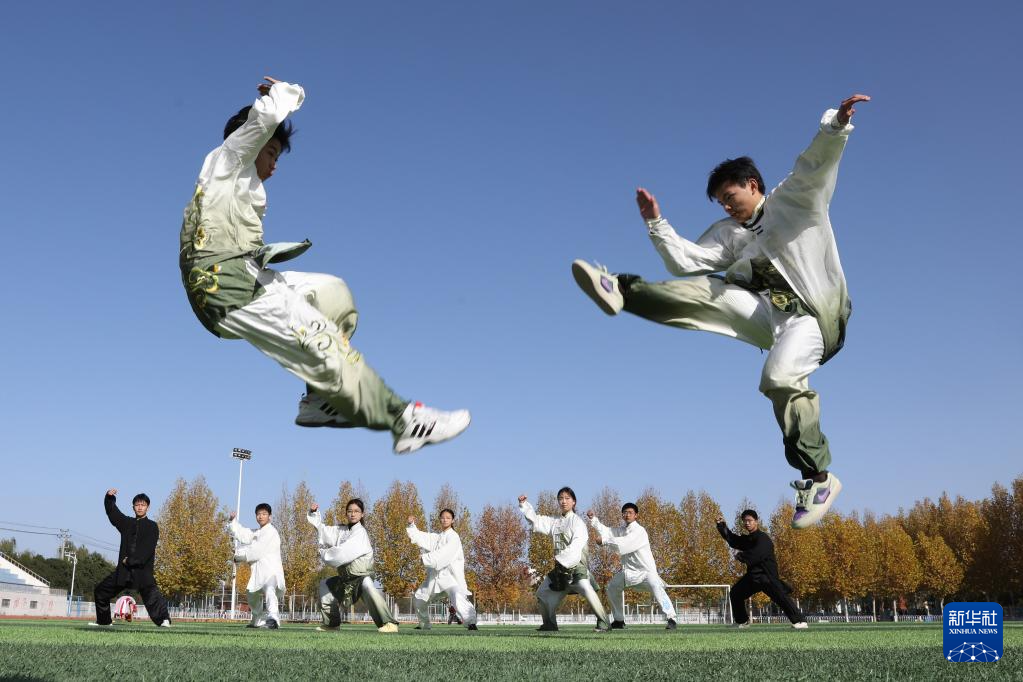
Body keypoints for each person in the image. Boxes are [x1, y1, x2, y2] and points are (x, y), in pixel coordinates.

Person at [572, 94, 871, 528]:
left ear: (753, 184)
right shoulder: (728, 234)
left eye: (731, 198)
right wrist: (657, 224)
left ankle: (818, 478)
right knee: (712, 291)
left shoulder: (795, 200)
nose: (728, 208)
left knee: (779, 377)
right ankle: (620, 291)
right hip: (774, 320)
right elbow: (686, 261)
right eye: (721, 204)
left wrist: (836, 126)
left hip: (818, 317)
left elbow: (815, 165)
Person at [178, 75, 470, 455]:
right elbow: (260, 123)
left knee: (333, 295)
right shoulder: (228, 159)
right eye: (272, 155)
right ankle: (404, 420)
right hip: (221, 283)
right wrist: (284, 93)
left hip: (246, 275)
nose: (275, 167)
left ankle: (317, 400)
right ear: (254, 143)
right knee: (321, 339)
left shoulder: (243, 183)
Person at [519, 488, 611, 632]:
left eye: (567, 498)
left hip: (576, 569)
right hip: (559, 570)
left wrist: (562, 562)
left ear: (574, 502)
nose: (563, 501)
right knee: (542, 593)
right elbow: (536, 521)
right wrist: (524, 505)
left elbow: (576, 547)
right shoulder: (555, 522)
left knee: (587, 589)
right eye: (560, 498)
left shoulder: (578, 523)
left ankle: (604, 623)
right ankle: (549, 624)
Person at [307, 499, 399, 633]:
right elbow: (323, 530)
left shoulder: (360, 533)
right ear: (346, 513)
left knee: (368, 585)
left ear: (362, 514)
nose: (353, 514)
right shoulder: (341, 530)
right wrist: (314, 514)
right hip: (345, 580)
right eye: (350, 511)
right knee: (324, 585)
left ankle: (389, 623)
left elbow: (342, 553)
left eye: (356, 511)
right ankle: (332, 624)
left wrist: (323, 553)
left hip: (361, 577)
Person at [587, 502, 678, 630]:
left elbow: (625, 545)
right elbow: (607, 531)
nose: (627, 515)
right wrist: (594, 520)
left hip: (646, 573)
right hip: (628, 573)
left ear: (636, 515)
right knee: (612, 587)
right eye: (625, 513)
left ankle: (672, 618)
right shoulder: (622, 530)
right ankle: (619, 620)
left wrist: (604, 541)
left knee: (657, 588)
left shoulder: (640, 531)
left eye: (630, 512)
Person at [90, 490, 171, 628]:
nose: (140, 507)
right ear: (133, 507)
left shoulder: (152, 527)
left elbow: (148, 549)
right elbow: (113, 514)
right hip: (123, 571)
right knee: (101, 591)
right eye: (137, 505)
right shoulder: (126, 523)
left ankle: (164, 620)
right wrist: (109, 498)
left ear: (148, 507)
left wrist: (130, 561)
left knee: (152, 596)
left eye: (143, 505)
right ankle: (104, 621)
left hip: (142, 571)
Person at [716, 510, 807, 629]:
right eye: (745, 521)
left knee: (781, 597)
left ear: (756, 522)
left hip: (766, 576)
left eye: (749, 520)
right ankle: (742, 621)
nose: (747, 523)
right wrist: (721, 525)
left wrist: (741, 556)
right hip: (753, 577)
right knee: (736, 593)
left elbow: (757, 555)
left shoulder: (763, 539)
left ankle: (800, 622)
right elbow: (733, 540)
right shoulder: (748, 539)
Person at [406, 510, 478, 631]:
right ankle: (424, 624)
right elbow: (422, 537)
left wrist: (425, 558)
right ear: (440, 519)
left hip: (450, 577)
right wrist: (411, 525)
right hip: (434, 579)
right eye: (443, 517)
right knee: (419, 598)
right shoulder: (437, 537)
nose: (445, 520)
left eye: (448, 518)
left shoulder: (454, 537)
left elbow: (444, 554)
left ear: (452, 520)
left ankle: (471, 623)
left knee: (457, 596)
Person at [228, 503, 286, 629]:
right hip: (259, 572)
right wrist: (233, 522)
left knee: (270, 590)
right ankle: (258, 619)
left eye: (264, 514)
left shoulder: (271, 532)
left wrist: (238, 556)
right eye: (258, 514)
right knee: (251, 594)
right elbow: (244, 534)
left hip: (271, 571)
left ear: (270, 516)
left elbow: (256, 551)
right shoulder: (257, 533)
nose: (261, 516)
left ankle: (273, 619)